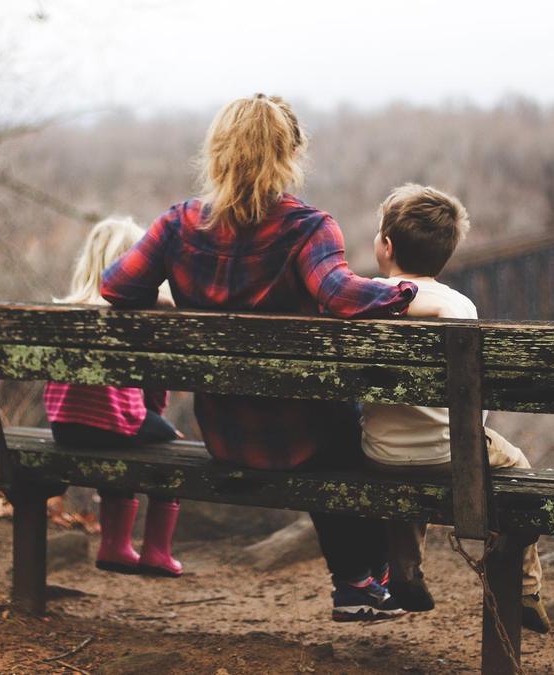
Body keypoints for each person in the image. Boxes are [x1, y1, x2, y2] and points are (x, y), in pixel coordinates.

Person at [101, 94, 418, 621]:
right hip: (303, 438)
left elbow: (116, 287)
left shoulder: (177, 225)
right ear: (290, 153)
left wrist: (165, 300)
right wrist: (405, 292)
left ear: (217, 152)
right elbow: (340, 295)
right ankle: (362, 580)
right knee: (352, 429)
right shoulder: (307, 228)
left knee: (333, 426)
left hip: (225, 435)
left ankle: (364, 581)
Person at [361, 183, 551, 633]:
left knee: (404, 465)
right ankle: (525, 588)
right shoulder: (459, 306)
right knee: (518, 468)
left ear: (386, 247)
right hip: (453, 453)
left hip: (380, 454)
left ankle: (404, 571)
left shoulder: (363, 299)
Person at [45, 217, 184, 577]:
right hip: (114, 424)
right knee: (169, 446)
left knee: (122, 436)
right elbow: (154, 385)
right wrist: (157, 420)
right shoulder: (135, 315)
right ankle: (156, 551)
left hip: (64, 427)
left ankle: (115, 545)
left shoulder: (64, 311)